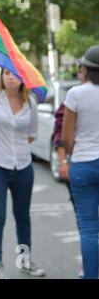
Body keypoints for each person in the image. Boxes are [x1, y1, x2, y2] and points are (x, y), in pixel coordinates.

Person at [0, 69, 45, 279]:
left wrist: (14, 149)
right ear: (1, 76)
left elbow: (32, 134)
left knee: (23, 217)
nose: (11, 77)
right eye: (7, 73)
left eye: (16, 74)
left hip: (23, 166)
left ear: (23, 79)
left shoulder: (31, 103)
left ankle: (24, 261)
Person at [62, 45, 99, 280]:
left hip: (84, 164)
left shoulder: (75, 93)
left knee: (89, 228)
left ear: (85, 69)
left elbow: (67, 136)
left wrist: (75, 156)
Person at [53, 62, 87, 277]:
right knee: (84, 219)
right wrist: (63, 161)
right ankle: (89, 263)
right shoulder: (73, 97)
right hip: (79, 165)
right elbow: (60, 130)